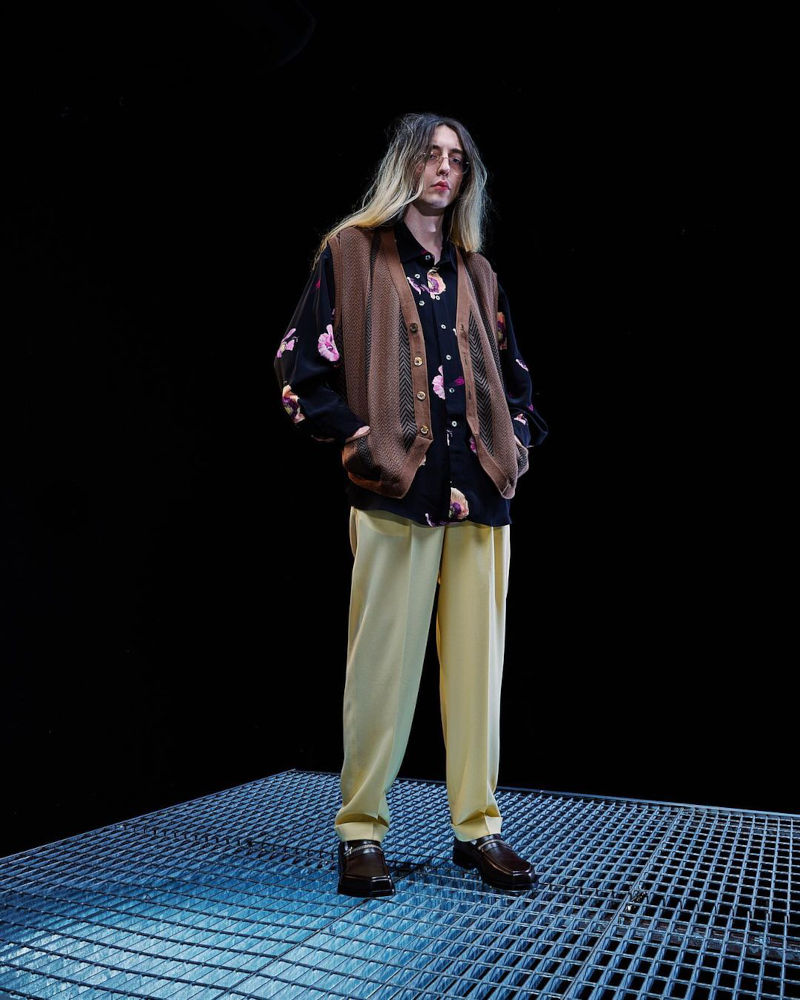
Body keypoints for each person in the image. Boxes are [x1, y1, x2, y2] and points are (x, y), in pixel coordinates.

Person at [274, 111, 548, 897]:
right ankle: (361, 831)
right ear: (405, 165)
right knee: (380, 672)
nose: (444, 169)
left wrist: (515, 445)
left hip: (481, 495)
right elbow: (299, 366)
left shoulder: (478, 272)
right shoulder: (351, 253)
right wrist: (360, 441)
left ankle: (479, 829)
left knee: (478, 675)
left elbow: (514, 376)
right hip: (395, 492)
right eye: (430, 155)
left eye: (456, 159)